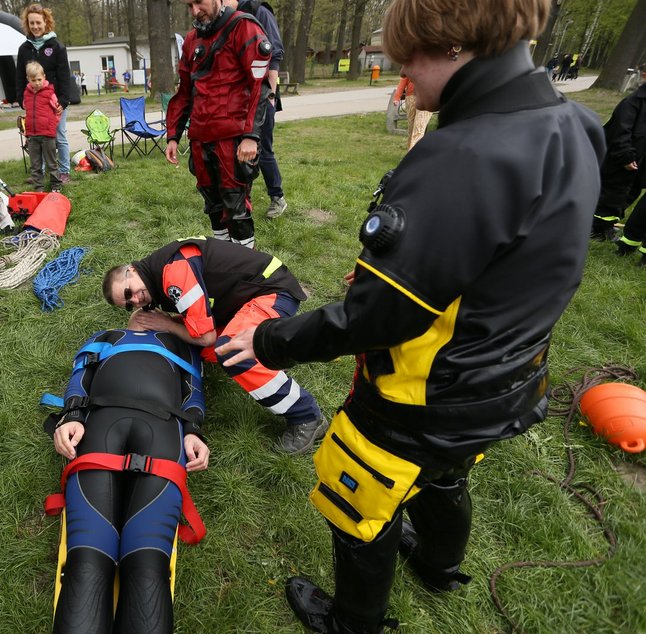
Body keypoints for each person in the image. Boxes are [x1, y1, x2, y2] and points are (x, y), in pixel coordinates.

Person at [216, 0, 604, 630]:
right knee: (445, 478)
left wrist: (272, 340)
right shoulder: (575, 125)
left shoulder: (462, 155)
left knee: (360, 500)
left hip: (422, 394)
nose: (403, 78)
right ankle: (439, 566)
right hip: (508, 377)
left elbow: (377, 318)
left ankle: (354, 621)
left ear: (452, 42)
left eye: (407, 57)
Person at [48, 328, 209, 633]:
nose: (136, 302)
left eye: (138, 294)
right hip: (101, 424)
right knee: (86, 563)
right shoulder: (107, 336)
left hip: (162, 430)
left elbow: (193, 390)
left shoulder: (181, 342)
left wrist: (192, 431)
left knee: (148, 567)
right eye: (126, 298)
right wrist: (71, 417)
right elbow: (80, 377)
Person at [103, 237, 327, 454]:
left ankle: (306, 415)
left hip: (273, 291)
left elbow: (206, 337)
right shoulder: (156, 274)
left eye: (128, 292)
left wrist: (168, 325)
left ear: (131, 269)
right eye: (128, 304)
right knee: (208, 348)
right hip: (241, 301)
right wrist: (167, 325)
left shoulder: (173, 273)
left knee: (231, 350)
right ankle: (268, 355)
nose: (135, 300)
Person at [165, 0, 273, 249]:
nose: (194, 11)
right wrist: (173, 135)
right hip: (201, 139)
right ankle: (223, 260)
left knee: (235, 205)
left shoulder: (244, 27)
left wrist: (251, 136)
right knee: (213, 204)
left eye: (199, 3)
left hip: (232, 139)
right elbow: (184, 92)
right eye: (189, 6)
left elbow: (261, 87)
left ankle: (245, 266)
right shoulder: (192, 40)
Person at [224, 0, 287, 219]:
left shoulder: (258, 11)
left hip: (261, 96)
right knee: (236, 149)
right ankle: (241, 195)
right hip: (236, 98)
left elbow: (275, 53)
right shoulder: (224, 18)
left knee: (264, 149)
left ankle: (277, 198)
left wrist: (270, 93)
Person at [16, 4, 72, 185]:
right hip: (33, 103)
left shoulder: (56, 47)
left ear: (45, 22)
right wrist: (21, 99)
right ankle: (37, 174)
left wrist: (63, 101)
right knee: (35, 138)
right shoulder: (24, 49)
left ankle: (63, 171)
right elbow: (18, 76)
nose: (35, 26)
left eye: (38, 22)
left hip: (53, 102)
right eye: (31, 23)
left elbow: (64, 76)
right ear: (27, 24)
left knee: (59, 136)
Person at [591, 63, 646, 242]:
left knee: (628, 195)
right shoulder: (633, 102)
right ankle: (596, 229)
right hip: (622, 162)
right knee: (611, 197)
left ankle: (606, 226)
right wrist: (626, 156)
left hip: (640, 163)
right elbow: (620, 131)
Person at [22, 62, 63, 193]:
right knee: (35, 164)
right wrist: (27, 129)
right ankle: (38, 187)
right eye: (34, 80)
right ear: (28, 79)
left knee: (51, 162)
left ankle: (56, 185)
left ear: (44, 77)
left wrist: (51, 125)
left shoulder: (50, 93)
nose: (37, 83)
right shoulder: (27, 94)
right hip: (33, 135)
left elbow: (58, 111)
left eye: (39, 79)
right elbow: (27, 111)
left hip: (47, 135)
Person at [392, 75, 433, 150]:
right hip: (411, 97)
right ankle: (411, 153)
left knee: (419, 127)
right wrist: (397, 97)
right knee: (411, 128)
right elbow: (404, 79)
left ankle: (412, 155)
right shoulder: (412, 64)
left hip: (427, 98)